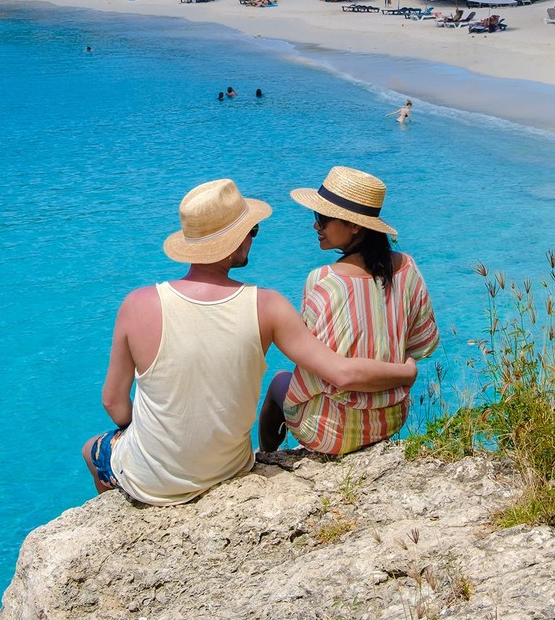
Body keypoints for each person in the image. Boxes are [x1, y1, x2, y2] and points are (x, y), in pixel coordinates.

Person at [82, 179, 416, 505]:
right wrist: (406, 373)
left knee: (90, 450)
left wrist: (151, 437)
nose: (253, 239)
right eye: (252, 231)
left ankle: (119, 511)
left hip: (151, 479)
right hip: (229, 468)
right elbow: (342, 373)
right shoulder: (269, 307)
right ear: (237, 240)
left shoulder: (137, 304)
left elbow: (113, 402)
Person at [258, 166, 438, 455]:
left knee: (279, 382)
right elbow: (419, 345)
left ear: (354, 225)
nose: (316, 226)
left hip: (332, 431)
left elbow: (313, 358)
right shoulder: (407, 268)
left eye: (322, 218)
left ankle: (267, 456)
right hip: (389, 420)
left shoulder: (324, 280)